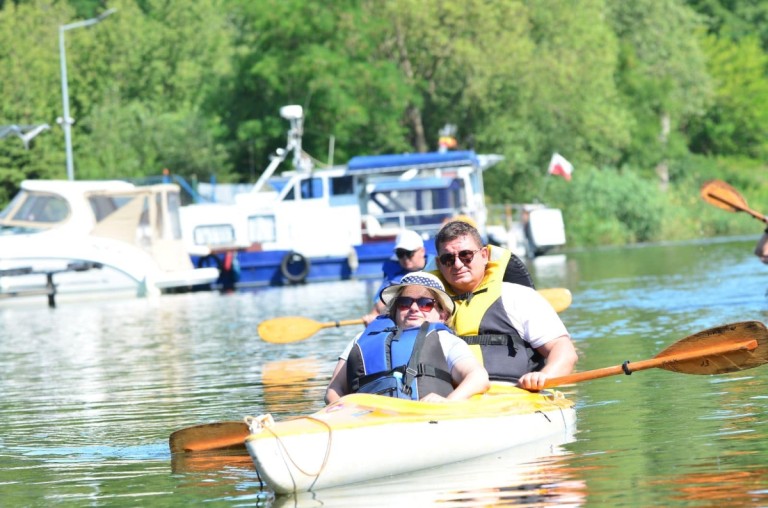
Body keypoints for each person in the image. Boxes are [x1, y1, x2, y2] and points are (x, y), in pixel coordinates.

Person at [431, 220, 578, 392]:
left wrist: (545, 376)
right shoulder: (423, 307)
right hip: (451, 399)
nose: (457, 264)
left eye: (466, 255)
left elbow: (564, 351)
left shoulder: (517, 296)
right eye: (448, 259)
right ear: (439, 263)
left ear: (484, 255)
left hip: (514, 394)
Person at [325, 271, 490, 404]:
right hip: (366, 420)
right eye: (405, 302)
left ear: (442, 314)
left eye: (425, 303)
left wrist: (448, 402)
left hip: (423, 418)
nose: (413, 308)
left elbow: (478, 377)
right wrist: (342, 409)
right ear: (396, 310)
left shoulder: (445, 340)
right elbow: (334, 389)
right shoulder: (361, 339)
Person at [361, 229, 429, 324]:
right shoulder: (393, 274)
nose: (405, 258)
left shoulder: (438, 268)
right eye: (400, 253)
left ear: (422, 251)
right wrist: (371, 320)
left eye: (409, 253)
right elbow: (378, 307)